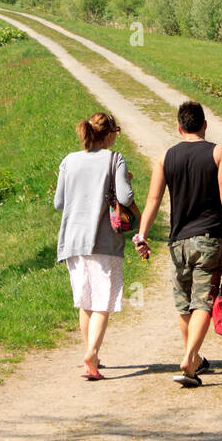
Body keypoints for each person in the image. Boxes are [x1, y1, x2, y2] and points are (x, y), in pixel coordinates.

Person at [133, 101, 222, 388]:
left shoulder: (165, 158)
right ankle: (189, 359)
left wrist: (142, 235)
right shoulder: (218, 153)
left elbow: (152, 200)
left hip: (178, 243)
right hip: (208, 240)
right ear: (204, 124)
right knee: (204, 303)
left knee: (185, 306)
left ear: (179, 127)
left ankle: (192, 360)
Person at [54, 112, 138, 381]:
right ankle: (92, 352)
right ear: (111, 134)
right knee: (103, 301)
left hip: (73, 241)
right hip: (104, 240)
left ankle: (92, 359)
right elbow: (124, 196)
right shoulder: (115, 159)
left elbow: (59, 203)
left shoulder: (69, 161)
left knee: (85, 301)